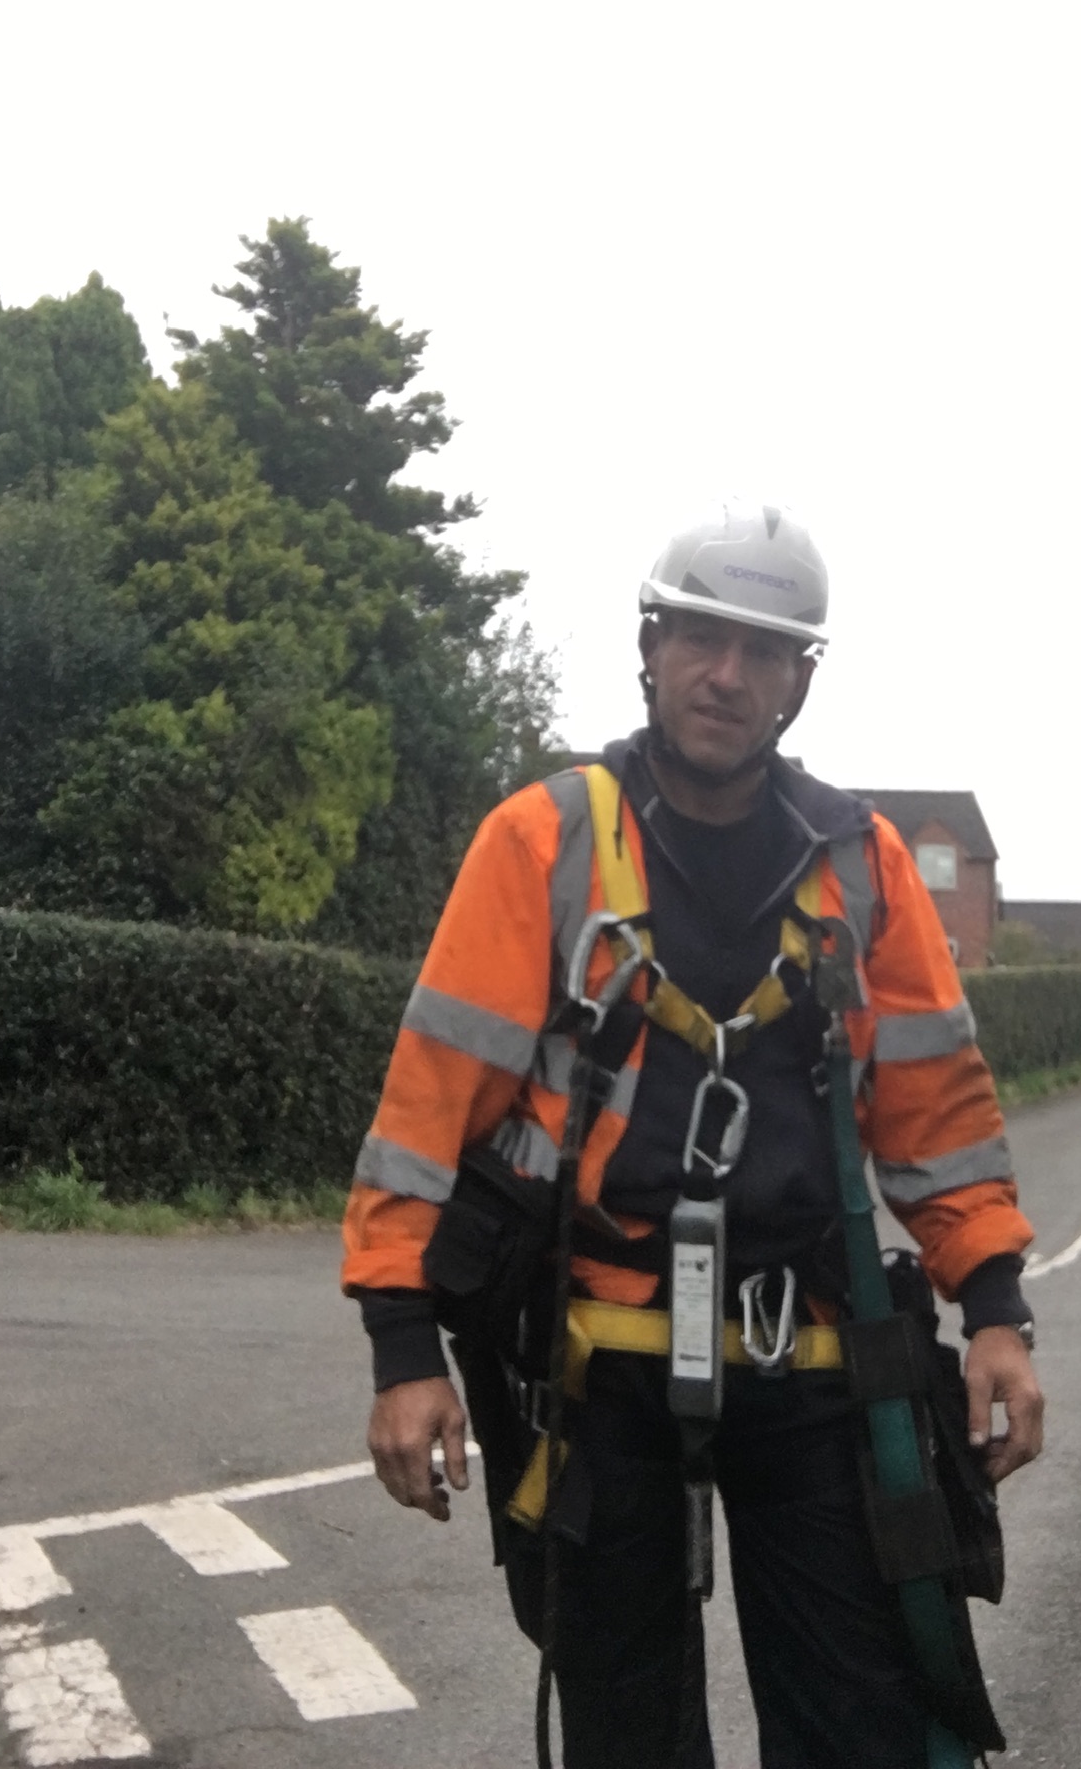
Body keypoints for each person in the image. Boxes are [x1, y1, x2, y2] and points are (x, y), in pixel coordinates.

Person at [341, 501, 1044, 1768]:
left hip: (813, 1356)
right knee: (628, 1735)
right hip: (591, 1364)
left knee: (863, 1727)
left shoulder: (863, 863)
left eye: (766, 650)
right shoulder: (546, 840)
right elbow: (427, 1109)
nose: (728, 674)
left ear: (802, 679)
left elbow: (937, 1117)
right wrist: (404, 1344)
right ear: (651, 645)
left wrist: (996, 1309)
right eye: (702, 638)